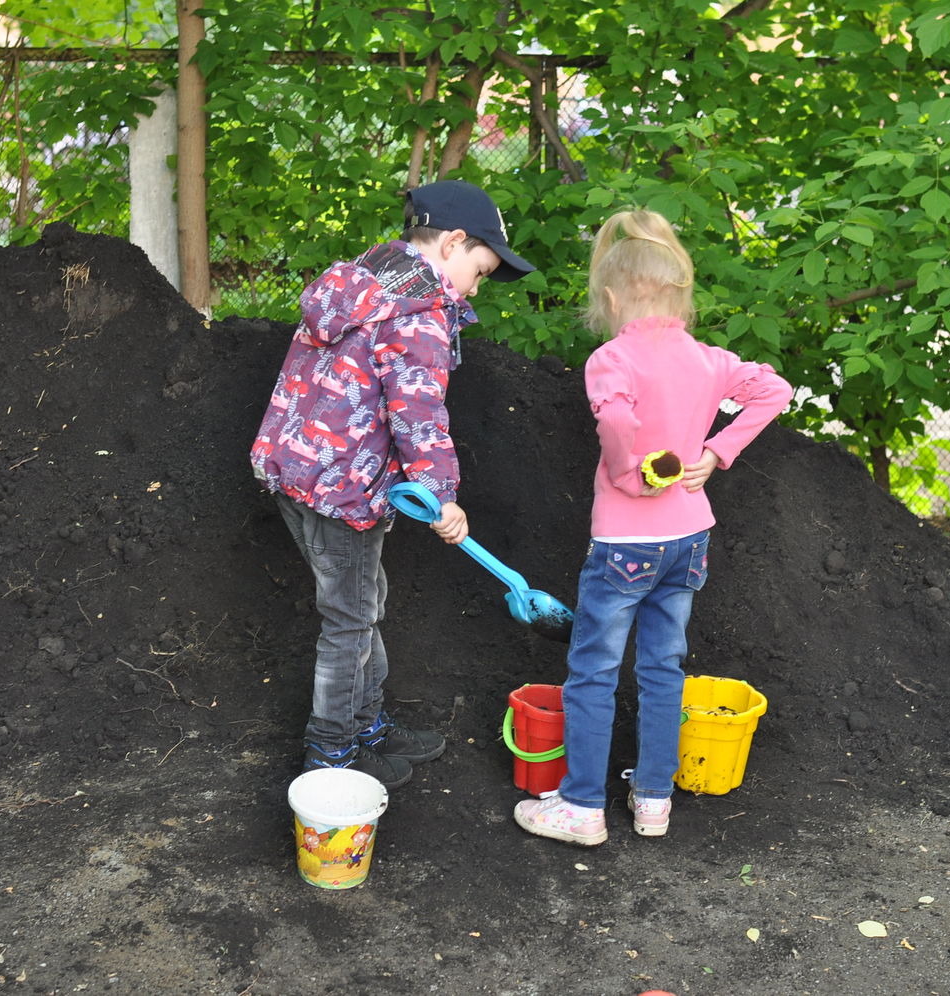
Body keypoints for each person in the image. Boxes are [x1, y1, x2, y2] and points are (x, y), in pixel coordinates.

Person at [514, 209, 790, 844]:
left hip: (624, 545)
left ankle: (582, 806)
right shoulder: (709, 360)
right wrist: (717, 454)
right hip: (690, 538)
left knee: (593, 670)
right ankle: (654, 801)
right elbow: (775, 390)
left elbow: (615, 424)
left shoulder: (612, 359)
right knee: (664, 666)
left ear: (611, 296)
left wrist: (627, 476)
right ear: (679, 294)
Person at [251, 179, 536, 791]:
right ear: (454, 242)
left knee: (361, 603)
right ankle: (332, 754)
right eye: (480, 270)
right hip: (346, 489)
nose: (476, 286)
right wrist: (443, 496)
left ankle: (364, 725)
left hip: (295, 474)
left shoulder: (357, 284)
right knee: (350, 620)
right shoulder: (418, 316)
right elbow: (419, 415)